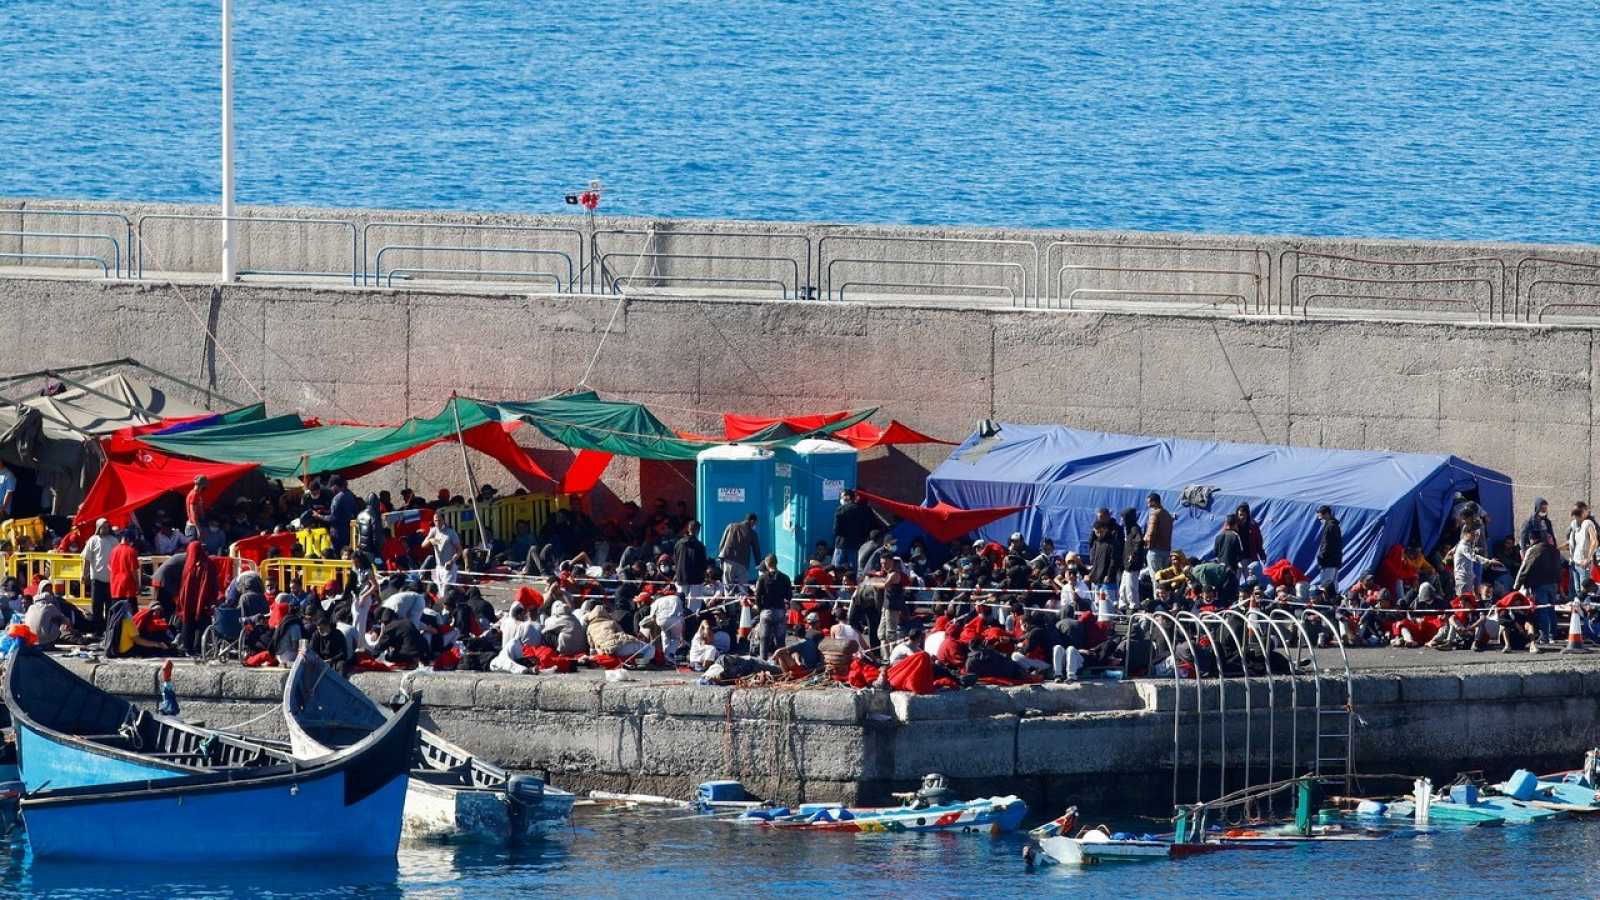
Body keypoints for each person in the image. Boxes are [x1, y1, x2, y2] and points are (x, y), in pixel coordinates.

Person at [1514, 536, 1564, 643]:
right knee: (1551, 609)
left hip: (1540, 584)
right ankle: (1552, 635)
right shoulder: (1554, 550)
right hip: (1553, 584)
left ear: (1533, 539)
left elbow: (1524, 568)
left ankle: (1544, 636)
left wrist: (1516, 587)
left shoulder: (1534, 550)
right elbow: (1559, 568)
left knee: (1542, 610)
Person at [79, 518, 119, 633]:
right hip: (97, 578)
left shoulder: (114, 540)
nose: (105, 529)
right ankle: (97, 629)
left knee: (110, 606)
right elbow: (87, 559)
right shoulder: (93, 540)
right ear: (98, 528)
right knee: (97, 606)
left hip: (111, 579)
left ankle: (109, 629)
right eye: (103, 527)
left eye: (107, 527)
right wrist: (84, 574)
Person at [834, 489, 876, 572]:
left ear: (847, 497)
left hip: (841, 543)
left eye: (842, 497)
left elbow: (836, 529)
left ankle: (838, 583)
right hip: (855, 544)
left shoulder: (840, 509)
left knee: (838, 569)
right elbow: (866, 527)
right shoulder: (862, 510)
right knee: (853, 569)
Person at [718, 514, 761, 586]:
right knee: (743, 587)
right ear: (752, 521)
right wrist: (759, 565)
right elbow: (756, 550)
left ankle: (728, 596)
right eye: (755, 523)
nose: (755, 525)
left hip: (728, 560)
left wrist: (722, 556)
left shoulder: (731, 526)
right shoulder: (752, 533)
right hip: (742, 562)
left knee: (728, 586)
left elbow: (722, 543)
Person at [425, 518, 463, 591]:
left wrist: (451, 561)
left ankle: (460, 592)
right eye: (435, 521)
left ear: (443, 521)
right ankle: (460, 591)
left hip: (449, 567)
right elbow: (423, 545)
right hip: (439, 567)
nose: (437, 523)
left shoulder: (451, 533)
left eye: (439, 521)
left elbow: (459, 550)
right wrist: (430, 540)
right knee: (442, 592)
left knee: (447, 591)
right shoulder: (433, 532)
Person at [673, 520, 708, 598]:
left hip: (681, 576)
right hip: (696, 578)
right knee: (694, 604)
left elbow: (675, 560)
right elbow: (703, 563)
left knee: (680, 601)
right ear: (697, 530)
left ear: (688, 529)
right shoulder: (699, 545)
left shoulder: (678, 544)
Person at [1144, 492, 1173, 577]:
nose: (1147, 504)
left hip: (1155, 550)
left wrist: (1146, 543)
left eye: (1149, 502)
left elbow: (1151, 533)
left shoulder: (1155, 514)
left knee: (1156, 577)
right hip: (1166, 550)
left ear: (1153, 502)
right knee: (1163, 577)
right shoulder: (1167, 514)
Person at [1315, 506, 1342, 588]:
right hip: (1334, 560)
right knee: (1333, 584)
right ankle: (1333, 599)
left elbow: (1327, 544)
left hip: (1329, 561)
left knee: (1326, 583)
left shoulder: (1330, 527)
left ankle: (1328, 599)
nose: (1320, 520)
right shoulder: (1334, 525)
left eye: (1321, 518)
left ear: (1326, 514)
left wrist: (1321, 557)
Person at [185, 475, 209, 539]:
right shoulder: (194, 495)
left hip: (194, 526)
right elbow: (193, 512)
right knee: (192, 547)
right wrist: (198, 529)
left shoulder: (196, 493)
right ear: (203, 485)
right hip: (193, 527)